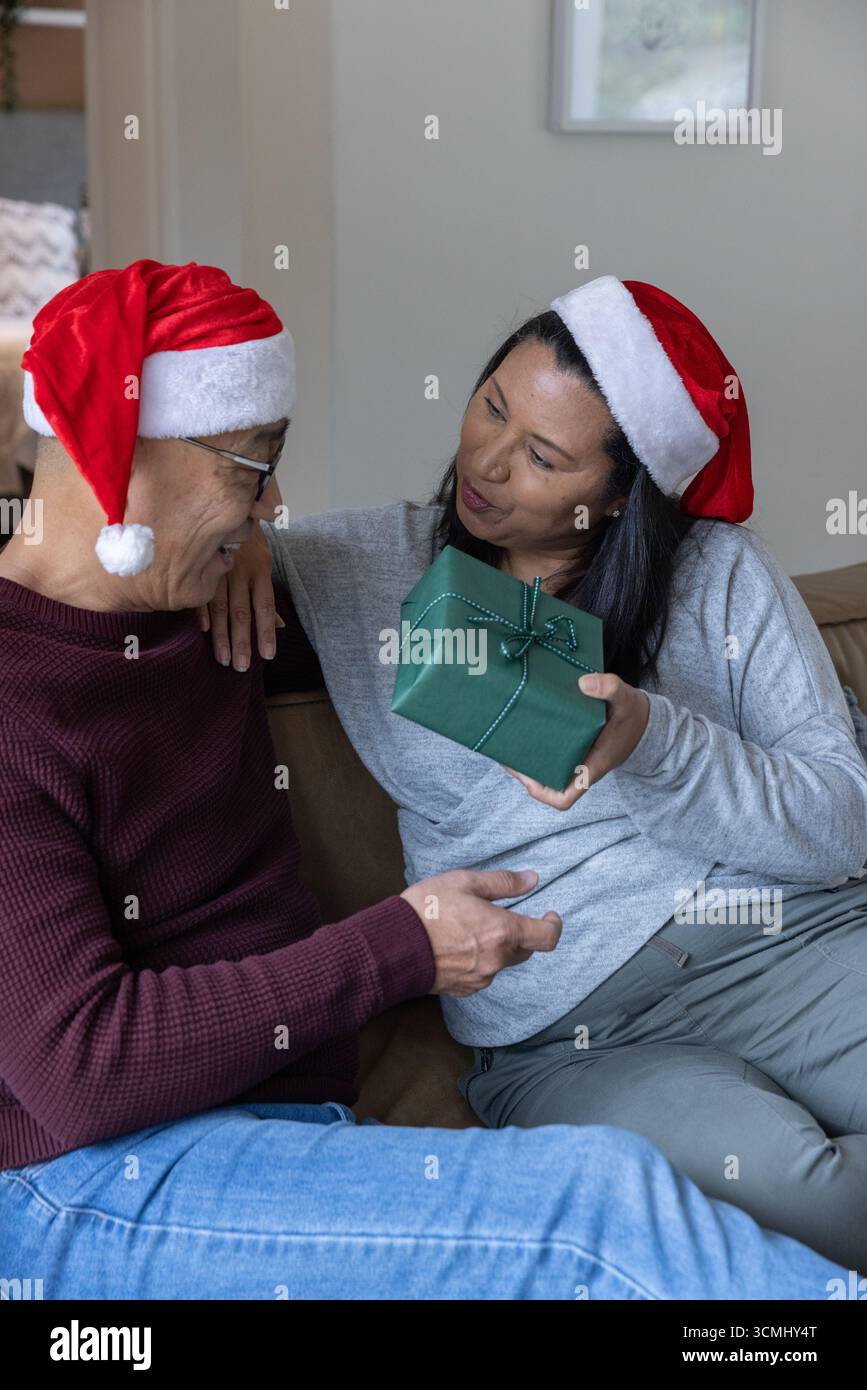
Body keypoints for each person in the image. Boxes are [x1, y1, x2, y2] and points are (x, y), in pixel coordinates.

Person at [1, 258, 845, 1300]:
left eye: (544, 455)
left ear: (622, 497)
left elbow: (838, 811)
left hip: (289, 1130)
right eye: (251, 463)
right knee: (608, 1206)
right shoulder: (62, 675)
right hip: (104, 1172)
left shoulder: (204, 600)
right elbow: (82, 1071)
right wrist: (401, 943)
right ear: (127, 450)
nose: (273, 504)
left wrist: (240, 536)